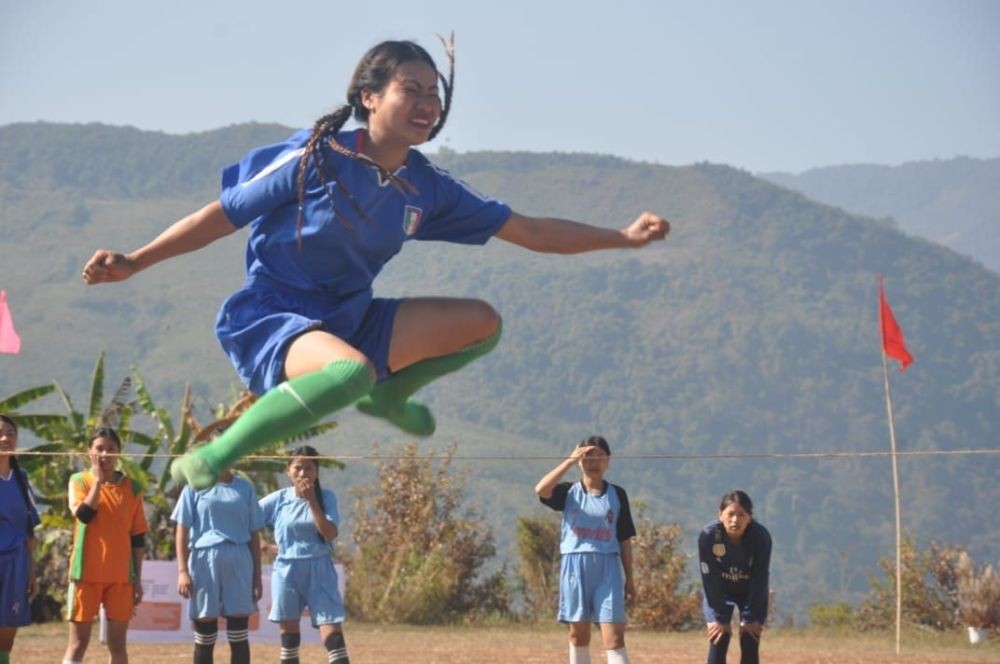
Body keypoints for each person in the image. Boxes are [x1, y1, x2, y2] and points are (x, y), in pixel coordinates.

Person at [81, 37, 671, 490]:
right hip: (273, 316)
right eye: (410, 89)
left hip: (350, 318)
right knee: (348, 374)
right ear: (369, 96)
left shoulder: (427, 188)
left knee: (482, 323)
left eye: (434, 94)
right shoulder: (312, 157)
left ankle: (389, 397)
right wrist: (135, 260)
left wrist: (623, 237)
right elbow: (221, 214)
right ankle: (215, 455)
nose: (426, 103)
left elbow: (534, 231)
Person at [535, 436, 636, 664]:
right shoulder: (567, 492)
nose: (593, 462)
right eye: (587, 457)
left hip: (607, 568)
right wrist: (569, 460)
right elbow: (541, 489)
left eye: (599, 455)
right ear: (580, 462)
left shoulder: (617, 495)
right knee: (578, 636)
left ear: (608, 460)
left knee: (615, 637)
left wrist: (630, 577)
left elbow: (624, 538)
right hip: (575, 567)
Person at [172, 435, 265, 664]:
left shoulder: (245, 488)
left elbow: (254, 534)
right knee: (205, 631)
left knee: (238, 632)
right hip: (204, 559)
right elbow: (182, 531)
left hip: (239, 558)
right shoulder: (195, 486)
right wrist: (183, 571)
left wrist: (257, 576)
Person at [63, 428, 148, 664]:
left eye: (111, 449)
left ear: (119, 453)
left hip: (120, 577)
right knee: (78, 644)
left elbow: (138, 537)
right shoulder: (79, 481)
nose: (105, 454)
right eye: (99, 448)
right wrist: (98, 483)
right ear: (89, 452)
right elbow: (84, 515)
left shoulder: (132, 488)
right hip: (85, 575)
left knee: (118, 646)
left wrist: (137, 579)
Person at [259, 446, 347, 664]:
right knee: (289, 638)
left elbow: (329, 533)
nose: (303, 473)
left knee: (334, 637)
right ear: (288, 471)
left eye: (309, 468)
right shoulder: (278, 499)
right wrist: (263, 545)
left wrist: (311, 501)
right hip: (287, 571)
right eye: (297, 467)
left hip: (319, 568)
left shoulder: (326, 497)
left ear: (316, 472)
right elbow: (245, 521)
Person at [698, 490, 772, 664]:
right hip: (719, 592)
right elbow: (709, 578)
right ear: (720, 514)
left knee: (750, 637)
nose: (735, 520)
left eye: (742, 515)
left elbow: (760, 577)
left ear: (750, 517)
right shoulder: (708, 536)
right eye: (730, 514)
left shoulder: (760, 537)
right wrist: (720, 616)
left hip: (750, 593)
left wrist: (750, 616)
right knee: (719, 636)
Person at [0, 415, 41, 664]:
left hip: (16, 563)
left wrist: (31, 570)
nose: (5, 438)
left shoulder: (21, 479)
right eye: (0, 432)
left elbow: (29, 531)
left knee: (7, 634)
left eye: (11, 433)